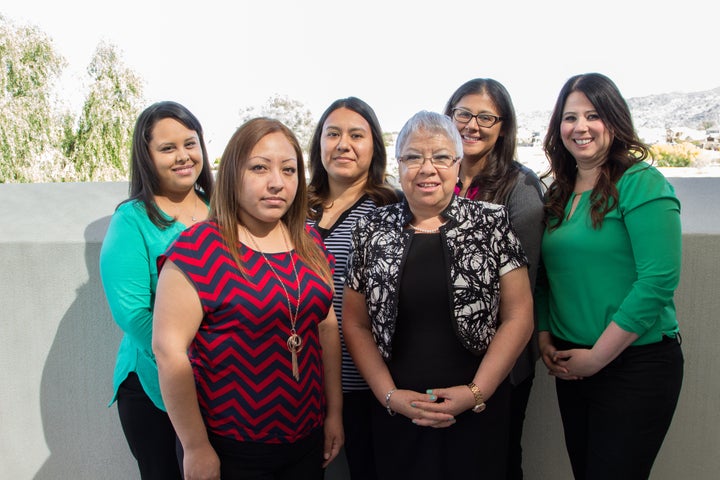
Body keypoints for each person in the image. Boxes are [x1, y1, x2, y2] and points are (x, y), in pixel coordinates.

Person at [342, 110, 534, 478]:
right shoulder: (371, 228)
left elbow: (519, 315)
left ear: (458, 164)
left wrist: (476, 393)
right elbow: (355, 323)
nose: (427, 168)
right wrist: (390, 396)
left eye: (441, 157)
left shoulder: (491, 222)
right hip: (397, 411)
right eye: (413, 156)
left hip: (478, 410)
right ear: (398, 165)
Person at [152, 117, 344, 480]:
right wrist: (195, 446)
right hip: (230, 447)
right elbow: (168, 351)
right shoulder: (197, 250)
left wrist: (333, 412)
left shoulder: (310, 244)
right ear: (232, 174)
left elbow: (326, 327)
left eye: (289, 170)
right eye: (259, 168)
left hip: (305, 439)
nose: (277, 182)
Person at [536, 72, 684, 479]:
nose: (580, 127)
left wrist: (598, 358)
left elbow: (657, 283)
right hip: (572, 363)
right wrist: (544, 335)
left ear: (614, 121)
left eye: (593, 115)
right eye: (569, 117)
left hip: (635, 365)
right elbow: (546, 276)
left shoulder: (642, 184)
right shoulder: (558, 193)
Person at [99, 100, 215, 479]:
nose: (183, 156)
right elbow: (132, 314)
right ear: (146, 157)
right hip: (153, 384)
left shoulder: (221, 212)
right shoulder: (132, 219)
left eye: (190, 143)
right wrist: (190, 357)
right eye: (168, 148)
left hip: (223, 382)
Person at [443, 78, 545, 479]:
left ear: (503, 127)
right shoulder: (434, 179)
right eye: (463, 114)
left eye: (486, 117)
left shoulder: (521, 189)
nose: (472, 125)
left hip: (500, 359)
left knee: (495, 461)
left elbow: (521, 290)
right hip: (438, 355)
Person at [306, 97, 399, 479]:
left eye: (356, 135)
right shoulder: (294, 207)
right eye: (333, 134)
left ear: (374, 146)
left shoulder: (391, 209)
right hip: (302, 382)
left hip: (365, 382)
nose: (343, 144)